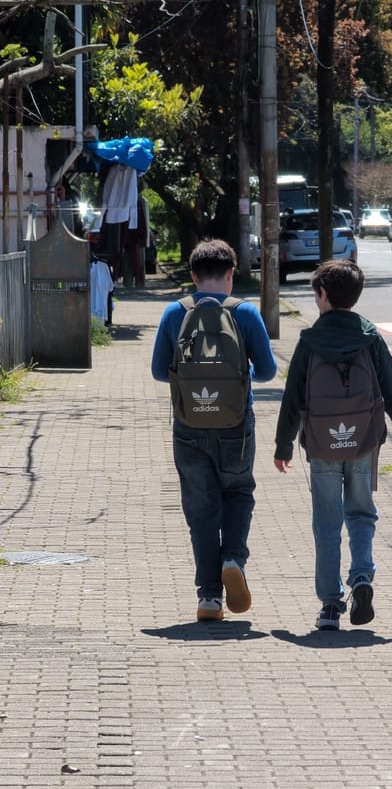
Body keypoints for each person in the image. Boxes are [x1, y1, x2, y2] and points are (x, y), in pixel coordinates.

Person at [274, 258, 392, 631]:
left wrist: (283, 445)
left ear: (321, 294)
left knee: (327, 523)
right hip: (364, 441)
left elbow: (292, 397)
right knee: (361, 513)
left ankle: (329, 606)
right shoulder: (370, 336)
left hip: (322, 443)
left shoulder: (309, 341)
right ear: (355, 296)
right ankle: (362, 579)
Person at [151, 239, 277, 621]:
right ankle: (234, 559)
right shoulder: (246, 313)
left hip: (188, 424)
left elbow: (159, 371)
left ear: (192, 276)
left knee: (201, 510)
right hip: (236, 423)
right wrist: (240, 376)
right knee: (238, 493)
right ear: (231, 273)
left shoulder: (175, 312)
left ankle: (209, 598)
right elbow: (269, 371)